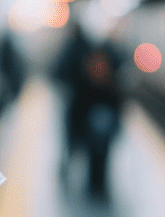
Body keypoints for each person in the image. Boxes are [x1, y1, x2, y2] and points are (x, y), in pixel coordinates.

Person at [52, 22, 123, 196]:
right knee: (100, 151)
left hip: (84, 110)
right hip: (101, 111)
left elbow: (58, 73)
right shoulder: (112, 55)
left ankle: (90, 182)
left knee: (79, 146)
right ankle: (98, 185)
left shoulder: (76, 51)